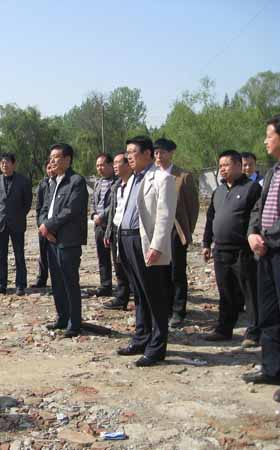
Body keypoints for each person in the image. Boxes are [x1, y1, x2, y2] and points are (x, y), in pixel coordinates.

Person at [116, 136, 177, 366]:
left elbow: (165, 216)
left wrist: (157, 246)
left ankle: (157, 348)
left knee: (155, 296)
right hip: (127, 239)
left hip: (146, 243)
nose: (128, 156)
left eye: (132, 152)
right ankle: (141, 338)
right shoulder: (132, 179)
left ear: (147, 154)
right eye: (127, 152)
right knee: (139, 294)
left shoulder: (163, 178)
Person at [202, 150, 261, 346]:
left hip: (242, 251)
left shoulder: (251, 188)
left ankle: (253, 333)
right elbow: (210, 218)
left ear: (237, 165)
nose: (222, 169)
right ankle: (224, 329)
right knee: (225, 291)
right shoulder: (218, 191)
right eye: (220, 166)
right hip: (220, 250)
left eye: (226, 165)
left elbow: (255, 217)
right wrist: (206, 243)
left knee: (249, 292)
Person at [245, 115, 280, 402]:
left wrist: (268, 238)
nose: (265, 141)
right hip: (266, 252)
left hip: (276, 248)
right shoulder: (272, 172)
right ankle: (272, 368)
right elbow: (258, 209)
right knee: (268, 314)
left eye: (269, 135)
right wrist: (252, 233)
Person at [39, 143, 89, 337]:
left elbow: (71, 210)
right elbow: (44, 208)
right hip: (51, 239)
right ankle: (62, 317)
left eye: (56, 157)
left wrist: (49, 226)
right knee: (57, 282)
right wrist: (44, 227)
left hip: (68, 240)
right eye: (51, 157)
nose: (52, 160)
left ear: (67, 159)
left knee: (70, 282)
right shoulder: (53, 182)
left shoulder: (76, 181)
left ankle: (74, 323)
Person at [154, 139, 200, 328]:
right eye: (156, 152)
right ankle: (165, 307)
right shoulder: (152, 175)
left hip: (175, 230)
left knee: (177, 272)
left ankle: (178, 310)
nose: (159, 156)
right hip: (157, 231)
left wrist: (186, 231)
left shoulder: (183, 176)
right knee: (161, 271)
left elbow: (193, 208)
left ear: (171, 153)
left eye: (162, 152)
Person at [0, 153, 32, 296]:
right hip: (0, 223)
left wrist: (18, 215)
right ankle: (1, 284)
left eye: (7, 162)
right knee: (1, 256)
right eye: (2, 163)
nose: (4, 165)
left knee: (19, 255)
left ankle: (20, 285)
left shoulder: (23, 181)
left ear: (13, 164)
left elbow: (27, 203)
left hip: (17, 223)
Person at [103, 152, 133, 310]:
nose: (114, 166)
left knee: (132, 266)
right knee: (118, 265)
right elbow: (112, 213)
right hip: (116, 230)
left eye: (117, 163)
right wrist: (108, 231)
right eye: (113, 163)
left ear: (128, 164)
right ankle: (122, 297)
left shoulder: (136, 185)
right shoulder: (116, 187)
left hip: (131, 231)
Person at [91, 153, 116, 297]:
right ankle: (105, 285)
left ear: (111, 165)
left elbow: (114, 204)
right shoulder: (98, 183)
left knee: (118, 259)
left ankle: (125, 286)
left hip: (112, 225)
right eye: (97, 166)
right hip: (99, 226)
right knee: (102, 257)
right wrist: (94, 214)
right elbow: (93, 202)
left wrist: (102, 216)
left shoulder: (118, 182)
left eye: (102, 165)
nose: (99, 168)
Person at [31, 161, 54, 289]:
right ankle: (41, 279)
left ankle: (57, 281)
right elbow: (39, 207)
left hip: (55, 226)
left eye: (52, 167)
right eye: (48, 168)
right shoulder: (43, 184)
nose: (51, 170)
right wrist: (40, 224)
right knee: (43, 254)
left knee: (55, 255)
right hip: (43, 226)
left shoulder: (61, 183)